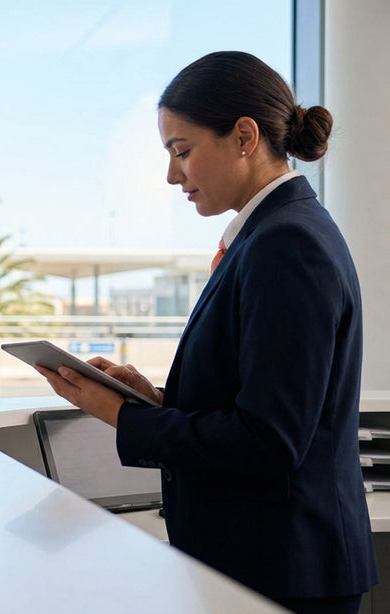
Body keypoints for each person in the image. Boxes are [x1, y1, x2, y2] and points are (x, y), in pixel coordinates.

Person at [36, 51, 377, 614]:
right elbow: (259, 402)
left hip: (283, 570)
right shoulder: (273, 233)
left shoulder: (287, 244)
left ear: (244, 136)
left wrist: (122, 416)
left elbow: (270, 440)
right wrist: (154, 400)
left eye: (182, 151)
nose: (173, 175)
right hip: (270, 562)